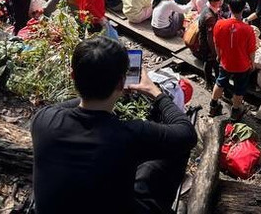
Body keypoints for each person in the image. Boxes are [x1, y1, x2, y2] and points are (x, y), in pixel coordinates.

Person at [31, 36, 197, 214]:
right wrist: (155, 92)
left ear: (73, 76)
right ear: (121, 82)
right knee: (174, 152)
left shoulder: (43, 120)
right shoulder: (128, 135)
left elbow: (63, 106)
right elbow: (187, 133)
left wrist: (100, 89)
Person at [209, 0, 256, 121]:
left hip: (225, 62)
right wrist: (252, 63)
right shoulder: (248, 30)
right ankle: (235, 111)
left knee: (220, 82)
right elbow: (251, 51)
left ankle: (213, 105)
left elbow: (216, 44)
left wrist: (219, 56)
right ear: (243, 9)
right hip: (242, 65)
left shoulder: (219, 24)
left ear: (229, 7)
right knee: (239, 88)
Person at [198, 0, 227, 89]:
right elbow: (211, 39)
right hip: (209, 47)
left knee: (209, 63)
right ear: (218, 1)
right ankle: (212, 84)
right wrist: (216, 53)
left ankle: (210, 82)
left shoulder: (209, 9)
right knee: (213, 64)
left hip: (205, 44)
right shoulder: (210, 17)